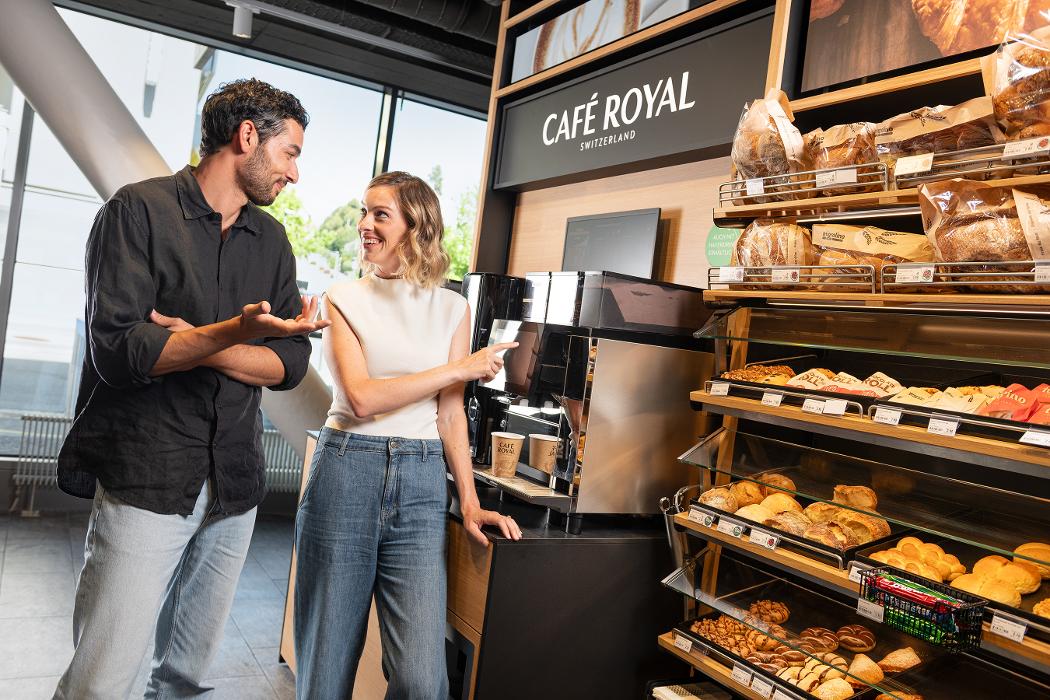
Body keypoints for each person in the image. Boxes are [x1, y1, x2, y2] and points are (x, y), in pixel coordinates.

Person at [53, 78, 329, 699]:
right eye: (290, 153)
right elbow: (123, 351)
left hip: (234, 487)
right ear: (247, 137)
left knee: (186, 679)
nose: (294, 173)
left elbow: (288, 363)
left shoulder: (273, 242)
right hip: (148, 477)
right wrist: (235, 335)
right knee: (101, 681)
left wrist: (201, 342)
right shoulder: (137, 211)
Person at [294, 171, 522, 698]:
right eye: (363, 212)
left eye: (380, 215)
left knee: (423, 681)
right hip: (347, 470)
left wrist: (468, 502)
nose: (364, 226)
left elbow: (449, 416)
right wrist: (461, 369)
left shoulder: (453, 308)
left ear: (415, 226)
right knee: (325, 672)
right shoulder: (342, 297)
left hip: (422, 486)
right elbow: (362, 398)